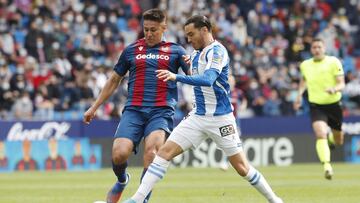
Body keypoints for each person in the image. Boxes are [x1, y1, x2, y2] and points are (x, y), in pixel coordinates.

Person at [123, 15, 283, 203]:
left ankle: (275, 200)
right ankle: (136, 200)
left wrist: (175, 77)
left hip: (221, 119)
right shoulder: (196, 54)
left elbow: (208, 80)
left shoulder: (217, 51)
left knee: (242, 168)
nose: (189, 39)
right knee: (163, 154)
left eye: (191, 34)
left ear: (205, 30)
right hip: (197, 118)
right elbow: (191, 70)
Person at [83, 8, 189, 203]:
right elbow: (114, 79)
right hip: (134, 110)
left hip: (161, 111)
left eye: (153, 30)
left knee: (152, 152)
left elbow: (194, 77)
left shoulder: (176, 52)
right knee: (119, 154)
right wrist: (94, 107)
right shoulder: (131, 50)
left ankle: (141, 200)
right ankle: (122, 180)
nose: (148, 34)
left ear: (164, 27)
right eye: (146, 29)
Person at [294, 38, 345, 180]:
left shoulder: (334, 62)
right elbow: (303, 81)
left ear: (324, 48)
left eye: (319, 47)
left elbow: (342, 84)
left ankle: (331, 139)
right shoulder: (305, 65)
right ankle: (327, 167)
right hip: (316, 106)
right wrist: (298, 96)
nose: (317, 49)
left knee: (339, 140)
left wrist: (334, 89)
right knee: (320, 133)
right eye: (314, 47)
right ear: (311, 50)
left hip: (334, 104)